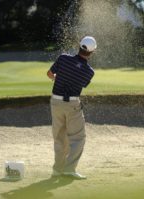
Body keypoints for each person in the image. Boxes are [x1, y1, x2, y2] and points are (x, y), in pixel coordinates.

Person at [47, 36, 97, 180]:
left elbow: (50, 74)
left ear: (79, 46)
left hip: (56, 102)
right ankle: (69, 169)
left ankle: (57, 170)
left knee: (59, 138)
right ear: (92, 52)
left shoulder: (63, 58)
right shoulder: (89, 72)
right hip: (72, 105)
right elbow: (80, 82)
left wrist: (57, 78)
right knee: (78, 138)